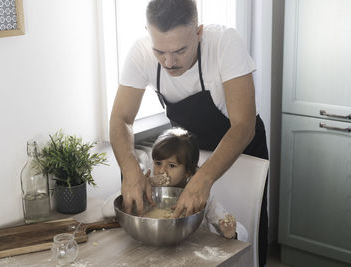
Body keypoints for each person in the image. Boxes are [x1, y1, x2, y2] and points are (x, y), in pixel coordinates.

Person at [109, 0, 269, 265]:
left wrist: (204, 179)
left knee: (240, 232)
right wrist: (130, 170)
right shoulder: (140, 53)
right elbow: (121, 118)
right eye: (159, 52)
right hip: (188, 153)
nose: (169, 63)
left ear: (199, 32)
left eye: (180, 51)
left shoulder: (225, 44)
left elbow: (244, 125)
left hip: (242, 151)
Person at [147, 127, 241, 240]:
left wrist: (230, 232)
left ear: (188, 171)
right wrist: (146, 186)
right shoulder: (150, 190)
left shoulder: (200, 196)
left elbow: (223, 220)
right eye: (157, 163)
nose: (162, 170)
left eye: (171, 165)